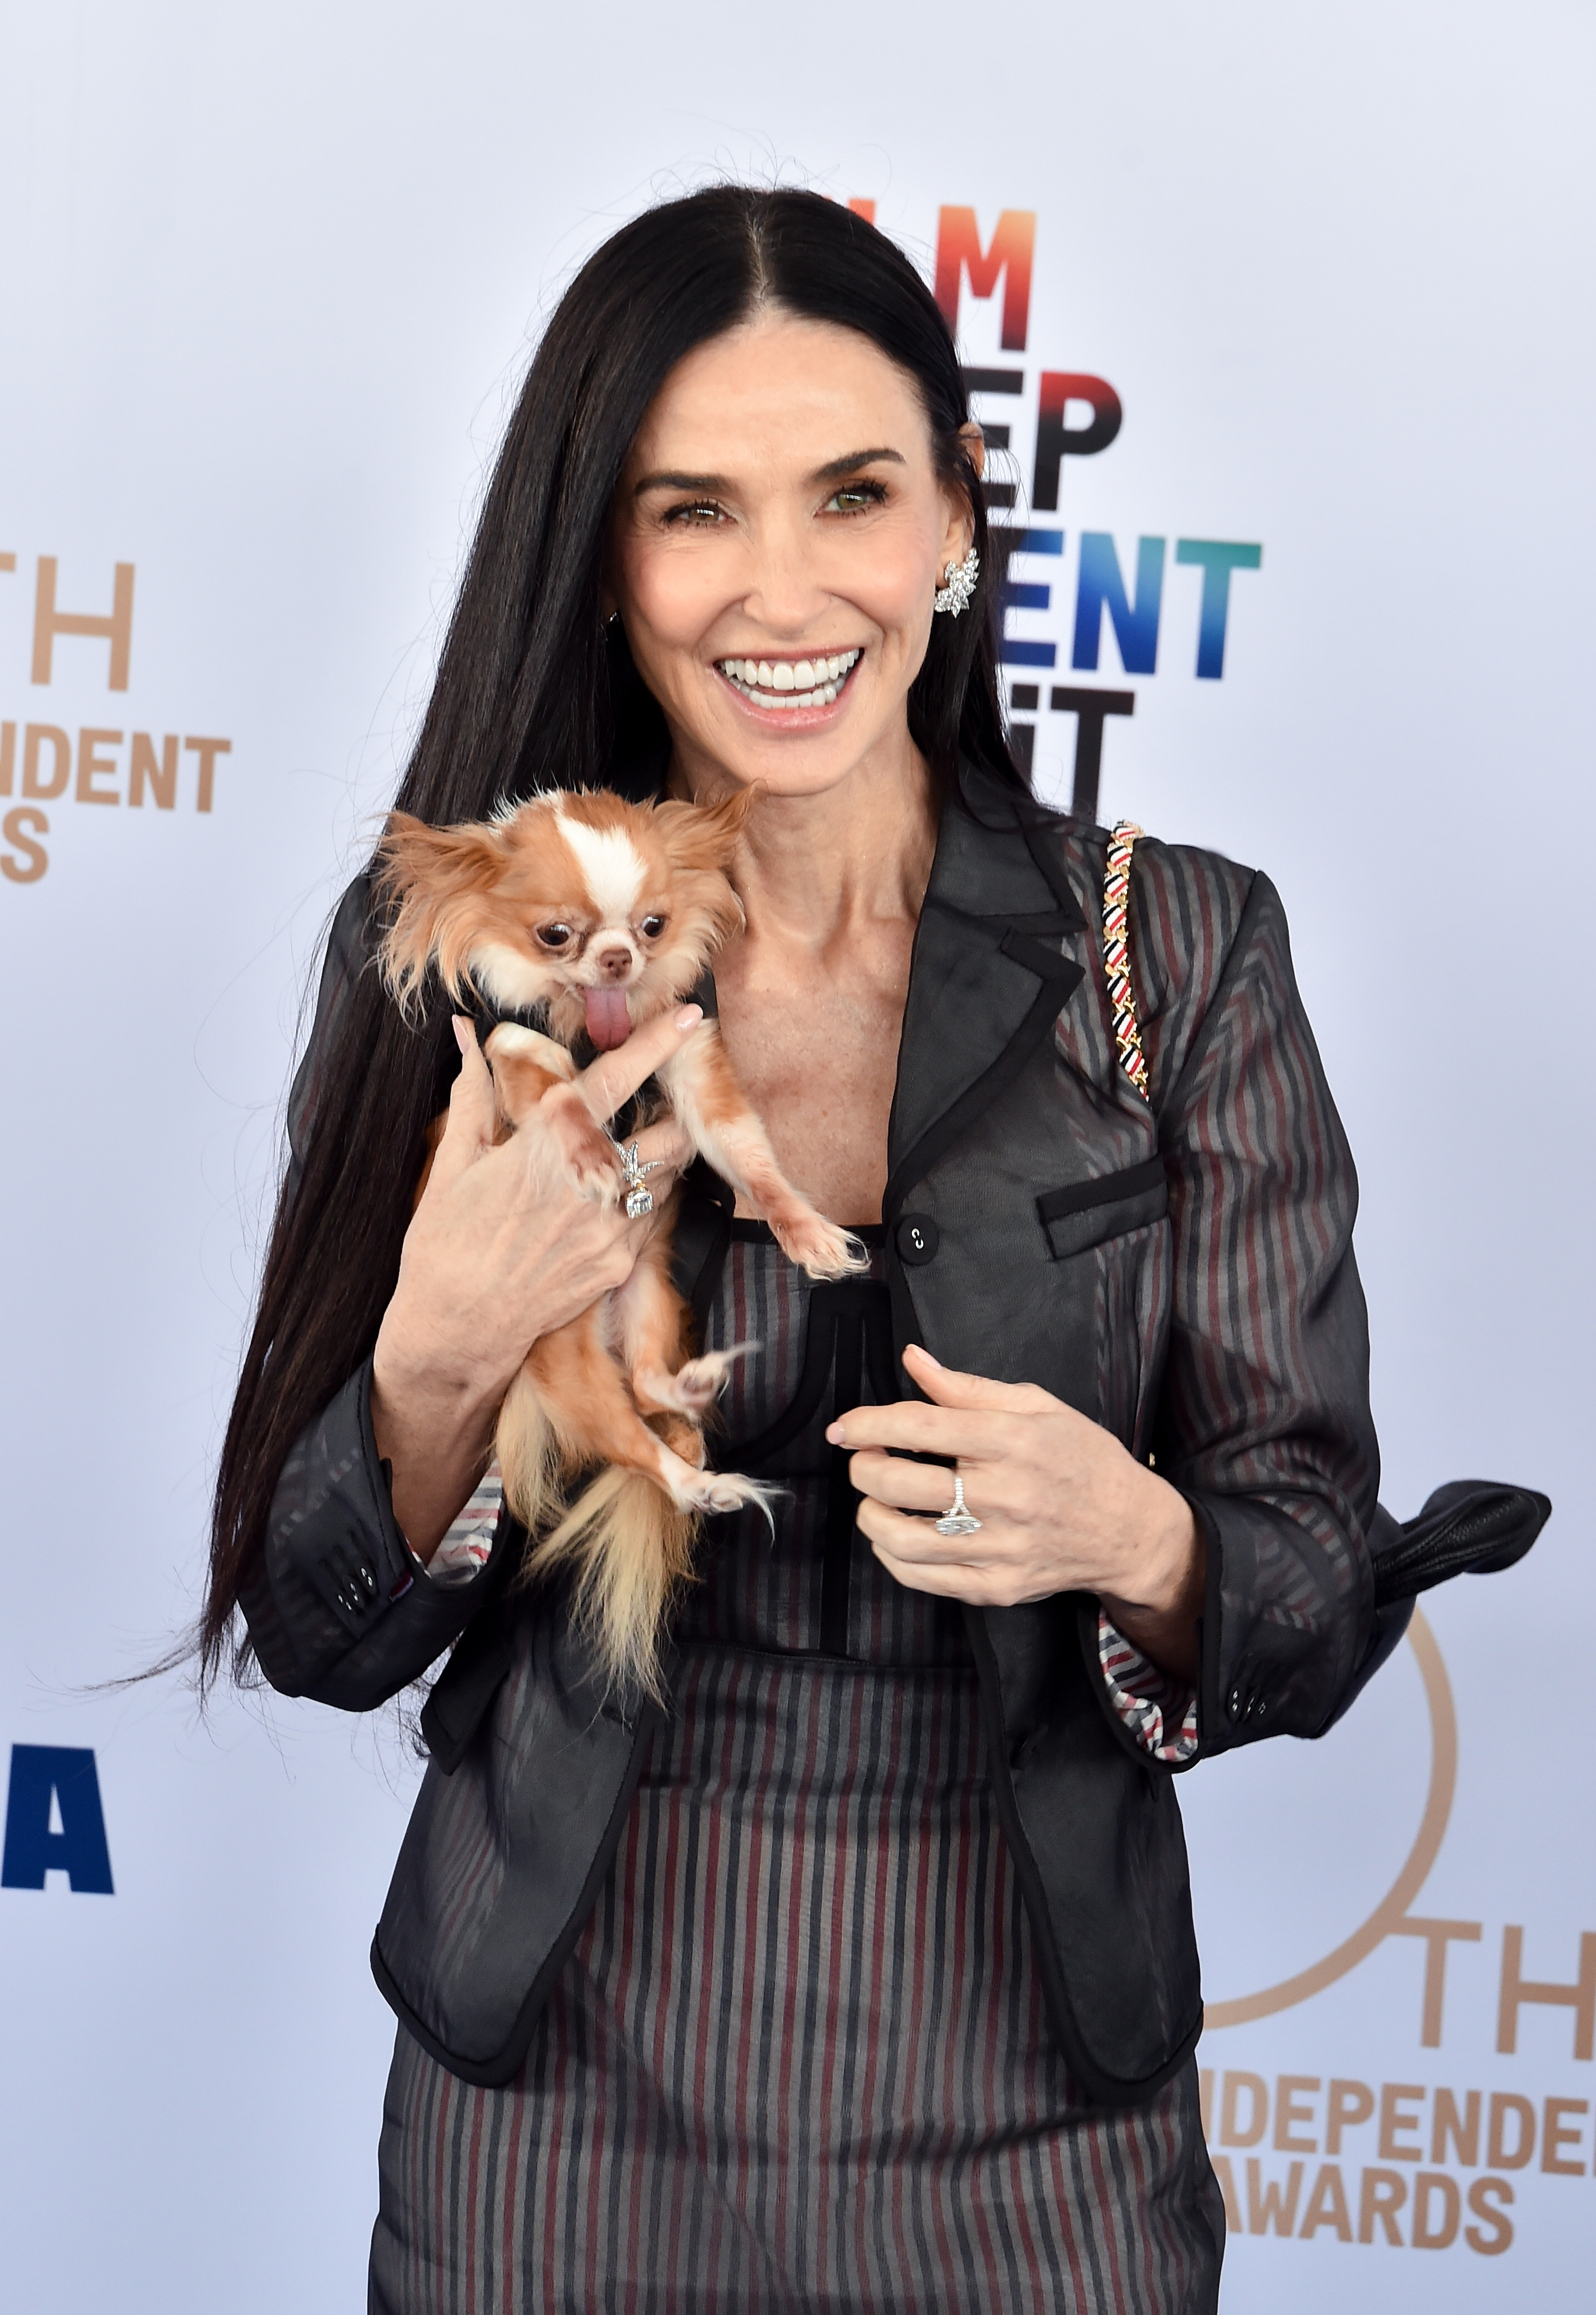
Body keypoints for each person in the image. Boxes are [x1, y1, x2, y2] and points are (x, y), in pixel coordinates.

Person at [203, 186, 1445, 2312]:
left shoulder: (1182, 951)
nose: (784, 591)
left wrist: (1140, 1538)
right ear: (605, 559)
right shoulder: (470, 954)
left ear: (955, 519)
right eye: (695, 511)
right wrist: (440, 1361)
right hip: (550, 2130)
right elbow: (317, 1627)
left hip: (1041, 2138)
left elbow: (1317, 1590)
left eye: (853, 495)